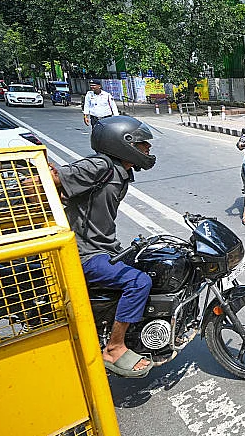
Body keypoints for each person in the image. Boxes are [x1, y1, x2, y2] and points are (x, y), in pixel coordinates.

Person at [50, 115, 156, 378]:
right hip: (85, 253)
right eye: (142, 144)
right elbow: (51, 178)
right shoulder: (99, 165)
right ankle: (114, 348)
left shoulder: (120, 171)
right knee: (139, 282)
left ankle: (127, 329)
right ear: (123, 143)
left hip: (104, 247)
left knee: (151, 265)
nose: (148, 148)